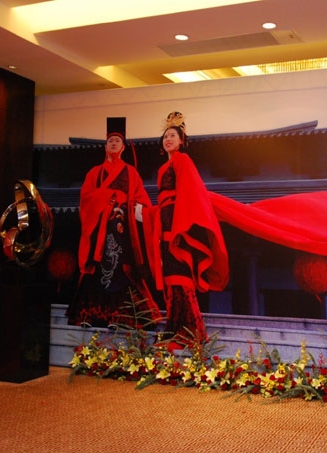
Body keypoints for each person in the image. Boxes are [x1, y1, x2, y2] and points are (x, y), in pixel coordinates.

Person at [142, 112, 229, 352]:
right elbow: (164, 202)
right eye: (165, 136)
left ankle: (191, 331)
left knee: (181, 279)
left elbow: (189, 194)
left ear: (181, 141)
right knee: (170, 279)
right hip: (165, 225)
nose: (168, 139)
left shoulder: (182, 160)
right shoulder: (163, 168)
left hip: (179, 227)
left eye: (173, 136)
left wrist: (179, 229)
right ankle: (173, 329)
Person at [66, 117, 161, 329]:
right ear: (105, 147)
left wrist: (126, 207)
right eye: (110, 141)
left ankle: (120, 318)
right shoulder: (95, 173)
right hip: (99, 231)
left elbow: (142, 201)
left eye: (118, 141)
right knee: (98, 269)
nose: (114, 144)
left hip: (122, 230)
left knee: (121, 269)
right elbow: (86, 200)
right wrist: (107, 198)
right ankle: (92, 315)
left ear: (123, 147)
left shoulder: (131, 173)